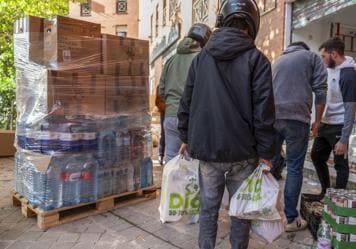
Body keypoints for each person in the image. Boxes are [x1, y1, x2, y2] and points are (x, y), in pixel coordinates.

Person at [177, 0, 275, 248]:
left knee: (208, 211)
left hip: (207, 152)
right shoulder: (258, 60)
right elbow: (264, 113)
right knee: (240, 214)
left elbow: (186, 102)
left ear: (222, 21)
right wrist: (266, 152)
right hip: (243, 154)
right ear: (252, 24)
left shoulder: (200, 59)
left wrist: (185, 137)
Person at [270, 41, 328, 232]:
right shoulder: (312, 57)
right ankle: (291, 219)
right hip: (297, 118)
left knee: (269, 165)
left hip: (273, 119)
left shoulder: (277, 61)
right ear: (304, 48)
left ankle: (266, 212)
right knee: (294, 168)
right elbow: (320, 90)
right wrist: (317, 121)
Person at [309, 37, 356, 200]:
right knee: (316, 155)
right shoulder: (329, 69)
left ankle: (339, 200)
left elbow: (351, 108)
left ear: (333, 54)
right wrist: (317, 122)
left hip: (339, 125)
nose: (321, 60)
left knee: (340, 164)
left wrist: (344, 139)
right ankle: (325, 192)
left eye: (323, 56)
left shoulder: (348, 74)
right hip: (326, 124)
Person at [159, 23, 212, 162]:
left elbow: (161, 91)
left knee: (172, 163)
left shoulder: (170, 60)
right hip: (192, 118)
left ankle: (170, 185)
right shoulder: (203, 59)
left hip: (170, 117)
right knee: (192, 166)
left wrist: (172, 103)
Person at [155, 85, 166, 165]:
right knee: (163, 133)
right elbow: (157, 101)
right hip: (165, 111)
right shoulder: (160, 86)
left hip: (170, 111)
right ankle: (161, 154)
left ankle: (161, 155)